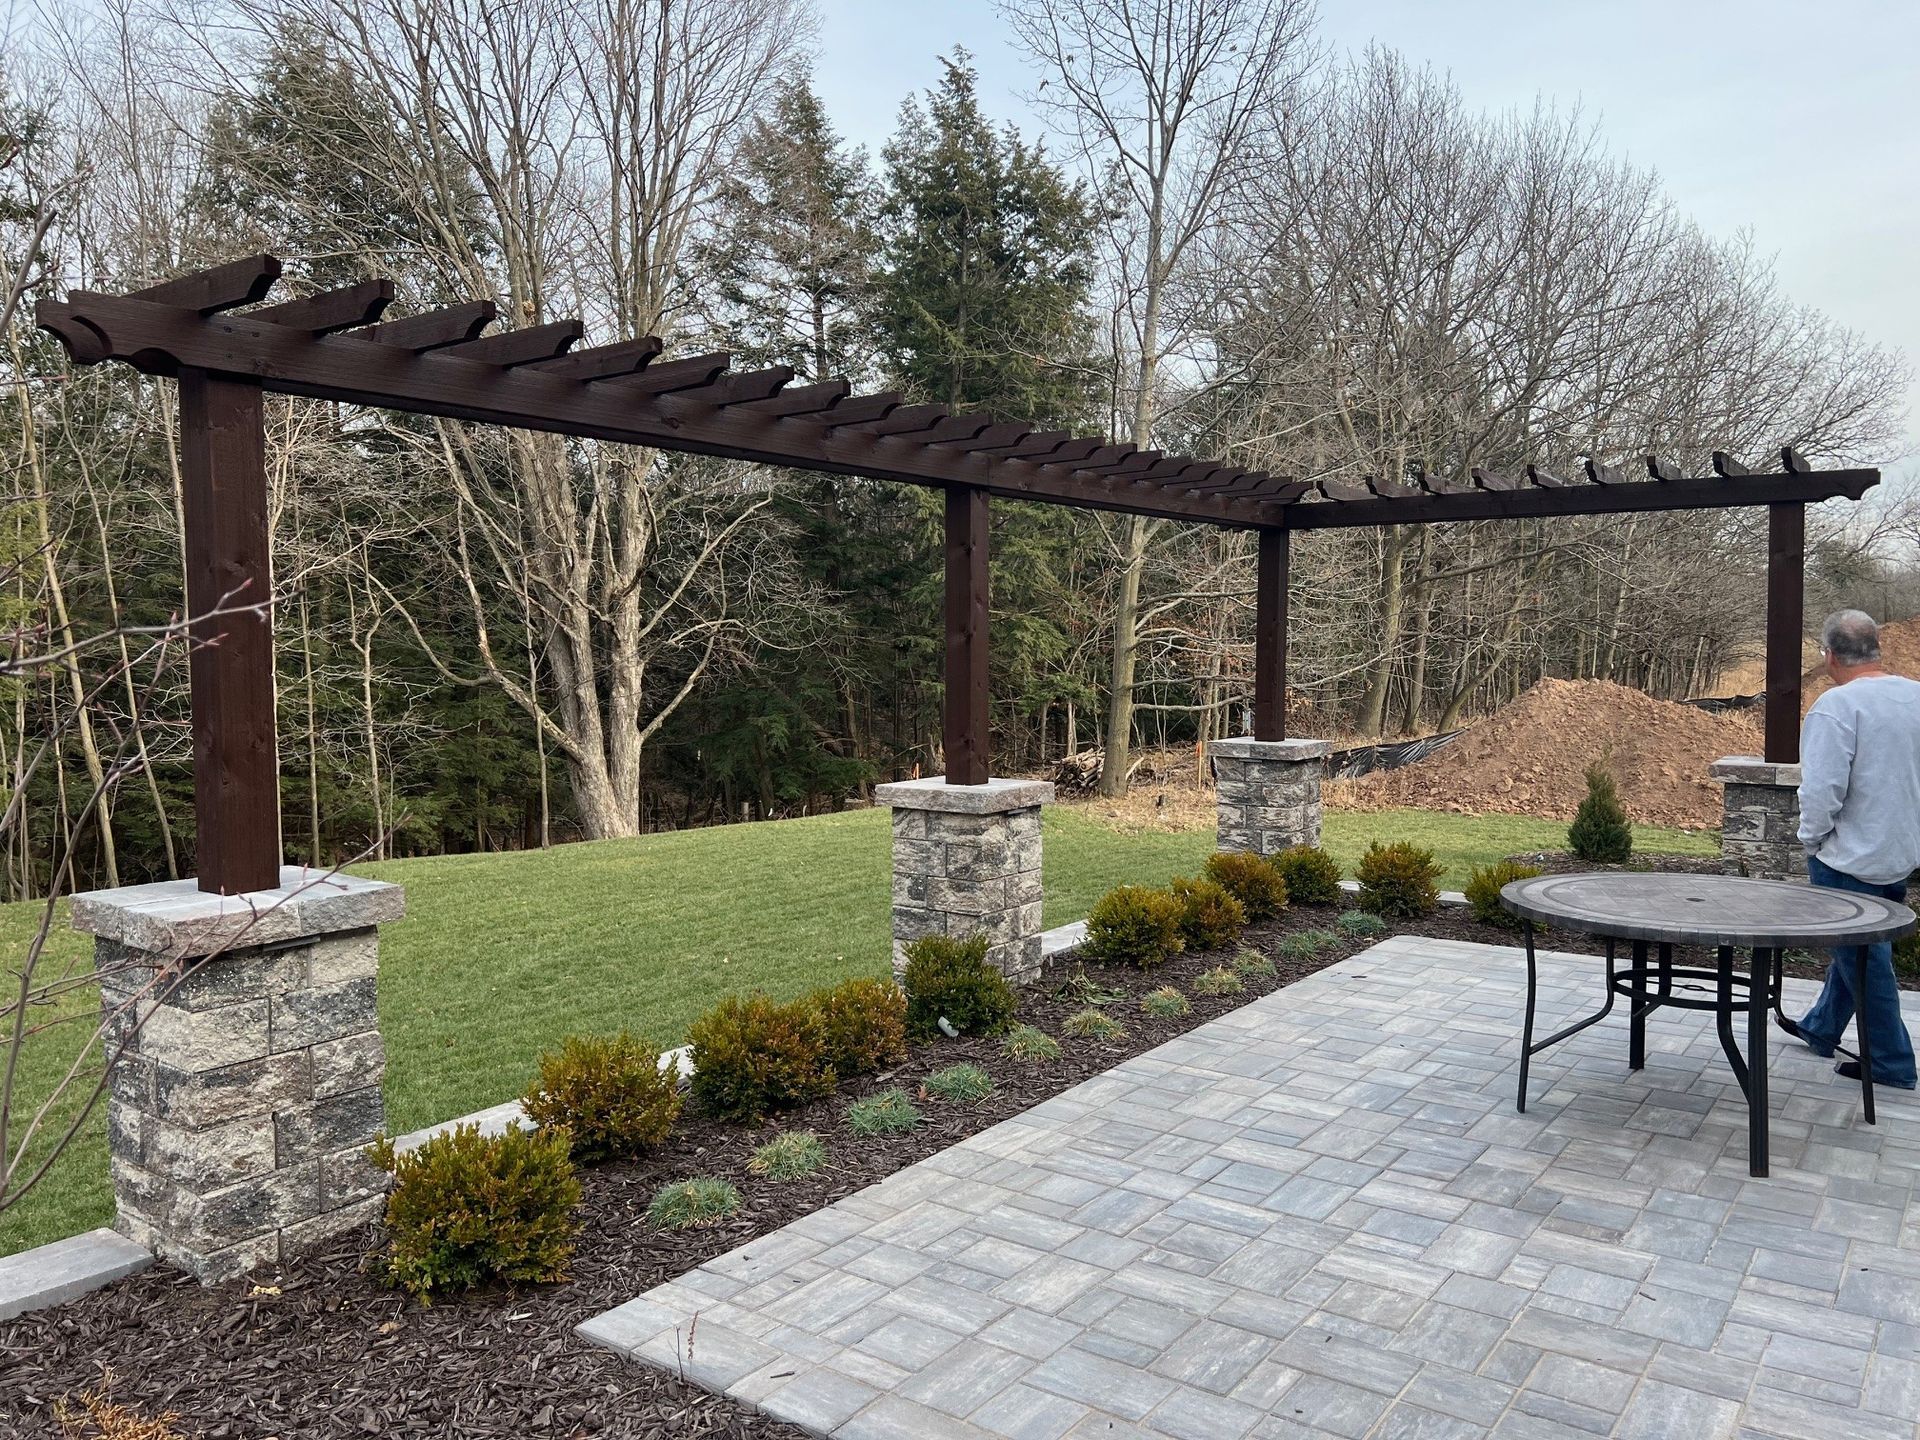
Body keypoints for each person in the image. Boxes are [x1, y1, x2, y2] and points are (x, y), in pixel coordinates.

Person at [1779, 609, 1920, 1088]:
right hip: (1898, 853)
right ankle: (1821, 1029)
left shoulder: (1837, 707)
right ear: (1876, 649)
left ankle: (1892, 1063)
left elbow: (1821, 791)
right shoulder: (1915, 697)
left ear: (1830, 655)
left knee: (1865, 963)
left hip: (1848, 857)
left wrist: (1811, 842)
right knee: (1858, 951)